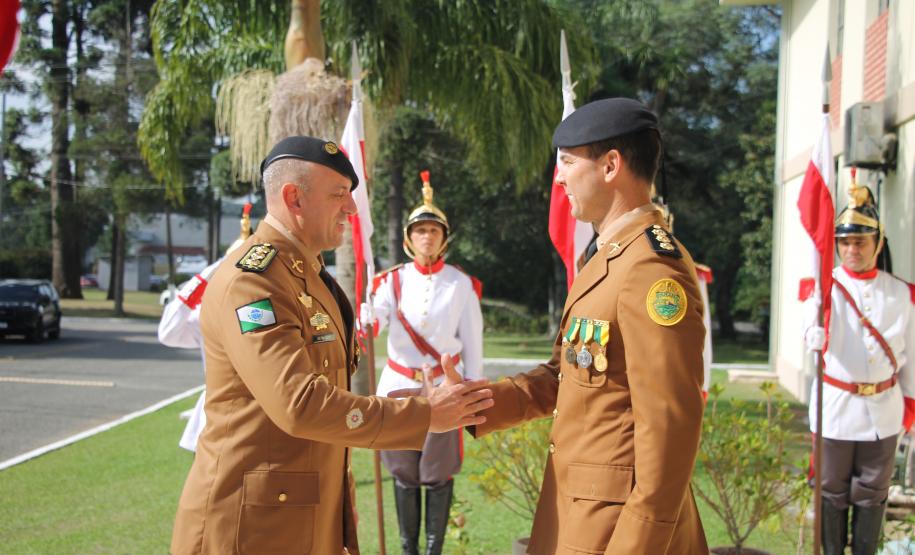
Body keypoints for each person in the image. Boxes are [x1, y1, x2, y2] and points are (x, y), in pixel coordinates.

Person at [169, 136, 494, 555]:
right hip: (250, 523)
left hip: (304, 510)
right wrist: (425, 413)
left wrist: (337, 506)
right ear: (294, 198)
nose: (352, 209)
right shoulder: (254, 281)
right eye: (339, 195)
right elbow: (300, 404)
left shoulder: (309, 275)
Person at [469, 97, 709, 554]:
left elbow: (670, 427)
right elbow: (568, 375)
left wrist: (637, 544)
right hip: (583, 514)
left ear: (611, 165)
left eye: (566, 162)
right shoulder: (607, 257)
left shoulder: (651, 269)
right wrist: (476, 402)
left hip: (620, 530)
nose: (558, 179)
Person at [360, 171, 483, 555]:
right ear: (408, 239)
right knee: (404, 474)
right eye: (419, 231)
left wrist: (474, 393)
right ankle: (408, 549)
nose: (426, 237)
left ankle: (433, 550)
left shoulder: (460, 284)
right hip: (399, 387)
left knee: (438, 474)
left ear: (444, 238)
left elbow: (473, 343)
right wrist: (368, 316)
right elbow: (377, 318)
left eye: (433, 230)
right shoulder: (390, 282)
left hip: (444, 388)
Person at [804, 182, 915, 555]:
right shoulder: (824, 287)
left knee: (872, 494)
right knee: (832, 492)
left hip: (884, 411)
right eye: (846, 242)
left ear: (877, 244)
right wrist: (812, 333)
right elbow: (806, 329)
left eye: (861, 242)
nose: (852, 249)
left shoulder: (902, 294)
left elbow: (912, 356)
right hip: (836, 408)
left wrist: (910, 405)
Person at [157, 204, 253, 452]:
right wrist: (205, 277)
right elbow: (168, 332)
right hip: (217, 413)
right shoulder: (209, 315)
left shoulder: (268, 308)